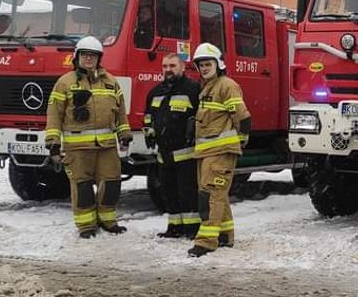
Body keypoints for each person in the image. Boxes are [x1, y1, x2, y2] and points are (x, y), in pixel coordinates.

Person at [45, 36, 132, 238]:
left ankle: (108, 221)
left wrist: (124, 133)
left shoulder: (111, 82)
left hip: (107, 146)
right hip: (78, 148)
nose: (89, 59)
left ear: (99, 58)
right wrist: (53, 142)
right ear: (77, 57)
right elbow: (54, 114)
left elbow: (120, 112)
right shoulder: (65, 83)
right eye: (85, 55)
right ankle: (86, 226)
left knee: (111, 183)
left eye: (93, 56)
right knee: (82, 188)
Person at [188, 42, 250, 258]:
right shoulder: (207, 88)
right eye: (201, 65)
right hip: (207, 151)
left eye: (208, 64)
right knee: (217, 195)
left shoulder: (227, 85)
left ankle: (206, 241)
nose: (204, 68)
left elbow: (243, 117)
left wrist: (240, 141)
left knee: (210, 196)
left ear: (218, 64)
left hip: (221, 151)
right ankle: (224, 235)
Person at [145, 52, 202, 238]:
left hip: (186, 154)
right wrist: (149, 131)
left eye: (172, 66)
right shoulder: (155, 92)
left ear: (182, 67)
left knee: (188, 193)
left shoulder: (193, 89)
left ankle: (192, 229)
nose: (168, 70)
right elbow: (148, 116)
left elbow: (203, 117)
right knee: (168, 193)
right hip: (164, 154)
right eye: (165, 66)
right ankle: (174, 227)